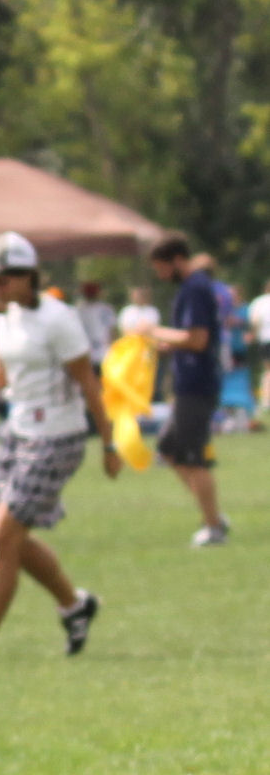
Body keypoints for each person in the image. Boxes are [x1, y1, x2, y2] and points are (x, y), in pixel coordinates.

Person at [0, 233, 115, 667]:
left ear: (26, 276)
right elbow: (3, 370)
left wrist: (108, 443)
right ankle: (75, 606)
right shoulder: (5, 316)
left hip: (57, 439)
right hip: (18, 434)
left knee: (2, 538)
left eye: (1, 279)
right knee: (8, 541)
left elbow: (90, 383)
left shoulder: (59, 320)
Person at [145, 233, 229, 547]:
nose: (161, 275)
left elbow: (197, 340)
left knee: (192, 459)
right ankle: (213, 515)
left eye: (162, 268)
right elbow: (192, 339)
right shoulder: (192, 287)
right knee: (169, 449)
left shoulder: (195, 288)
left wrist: (154, 331)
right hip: (188, 383)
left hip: (197, 384)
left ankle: (214, 527)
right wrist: (168, 345)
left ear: (177, 260)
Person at [76, 281, 116, 368]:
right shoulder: (106, 308)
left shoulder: (78, 310)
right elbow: (111, 331)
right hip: (98, 351)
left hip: (91, 352)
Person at [248, 278, 270, 416]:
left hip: (265, 339)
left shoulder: (259, 302)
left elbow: (254, 320)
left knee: (267, 371)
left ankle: (266, 401)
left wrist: (254, 335)